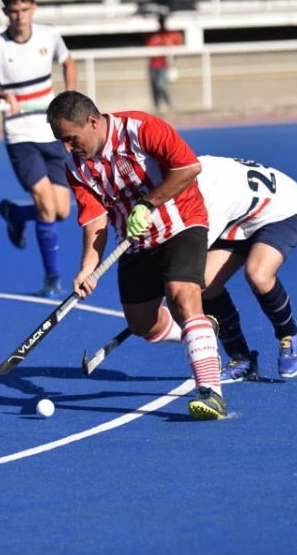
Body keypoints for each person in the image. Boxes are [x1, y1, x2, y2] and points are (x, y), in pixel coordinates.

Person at [47, 90, 228, 421]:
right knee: (143, 324)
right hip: (131, 241)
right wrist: (88, 267)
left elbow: (188, 167)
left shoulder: (141, 128)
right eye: (62, 142)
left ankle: (210, 391)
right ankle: (199, 335)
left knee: (181, 296)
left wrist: (147, 204)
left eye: (71, 139)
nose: (68, 148)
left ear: (92, 122)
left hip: (181, 223)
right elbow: (95, 219)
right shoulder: (76, 167)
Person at [0, 0, 77, 297]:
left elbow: (68, 62)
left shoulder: (48, 36)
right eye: (13, 11)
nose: (19, 16)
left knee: (61, 211)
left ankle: (16, 214)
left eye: (25, 10)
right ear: (5, 13)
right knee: (44, 201)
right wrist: (2, 93)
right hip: (20, 134)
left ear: (33, 8)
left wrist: (69, 95)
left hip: (50, 129)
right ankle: (52, 278)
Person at [195, 155, 297, 383]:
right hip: (241, 215)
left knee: (257, 274)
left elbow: (189, 254)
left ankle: (290, 334)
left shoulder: (212, 198)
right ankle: (242, 359)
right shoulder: (186, 171)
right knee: (204, 282)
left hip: (282, 211)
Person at [145, 14, 183, 112]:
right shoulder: (154, 35)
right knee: (154, 87)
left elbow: (177, 43)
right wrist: (162, 43)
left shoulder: (170, 34)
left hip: (164, 65)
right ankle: (157, 106)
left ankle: (168, 104)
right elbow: (150, 46)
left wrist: (168, 42)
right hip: (153, 65)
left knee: (161, 85)